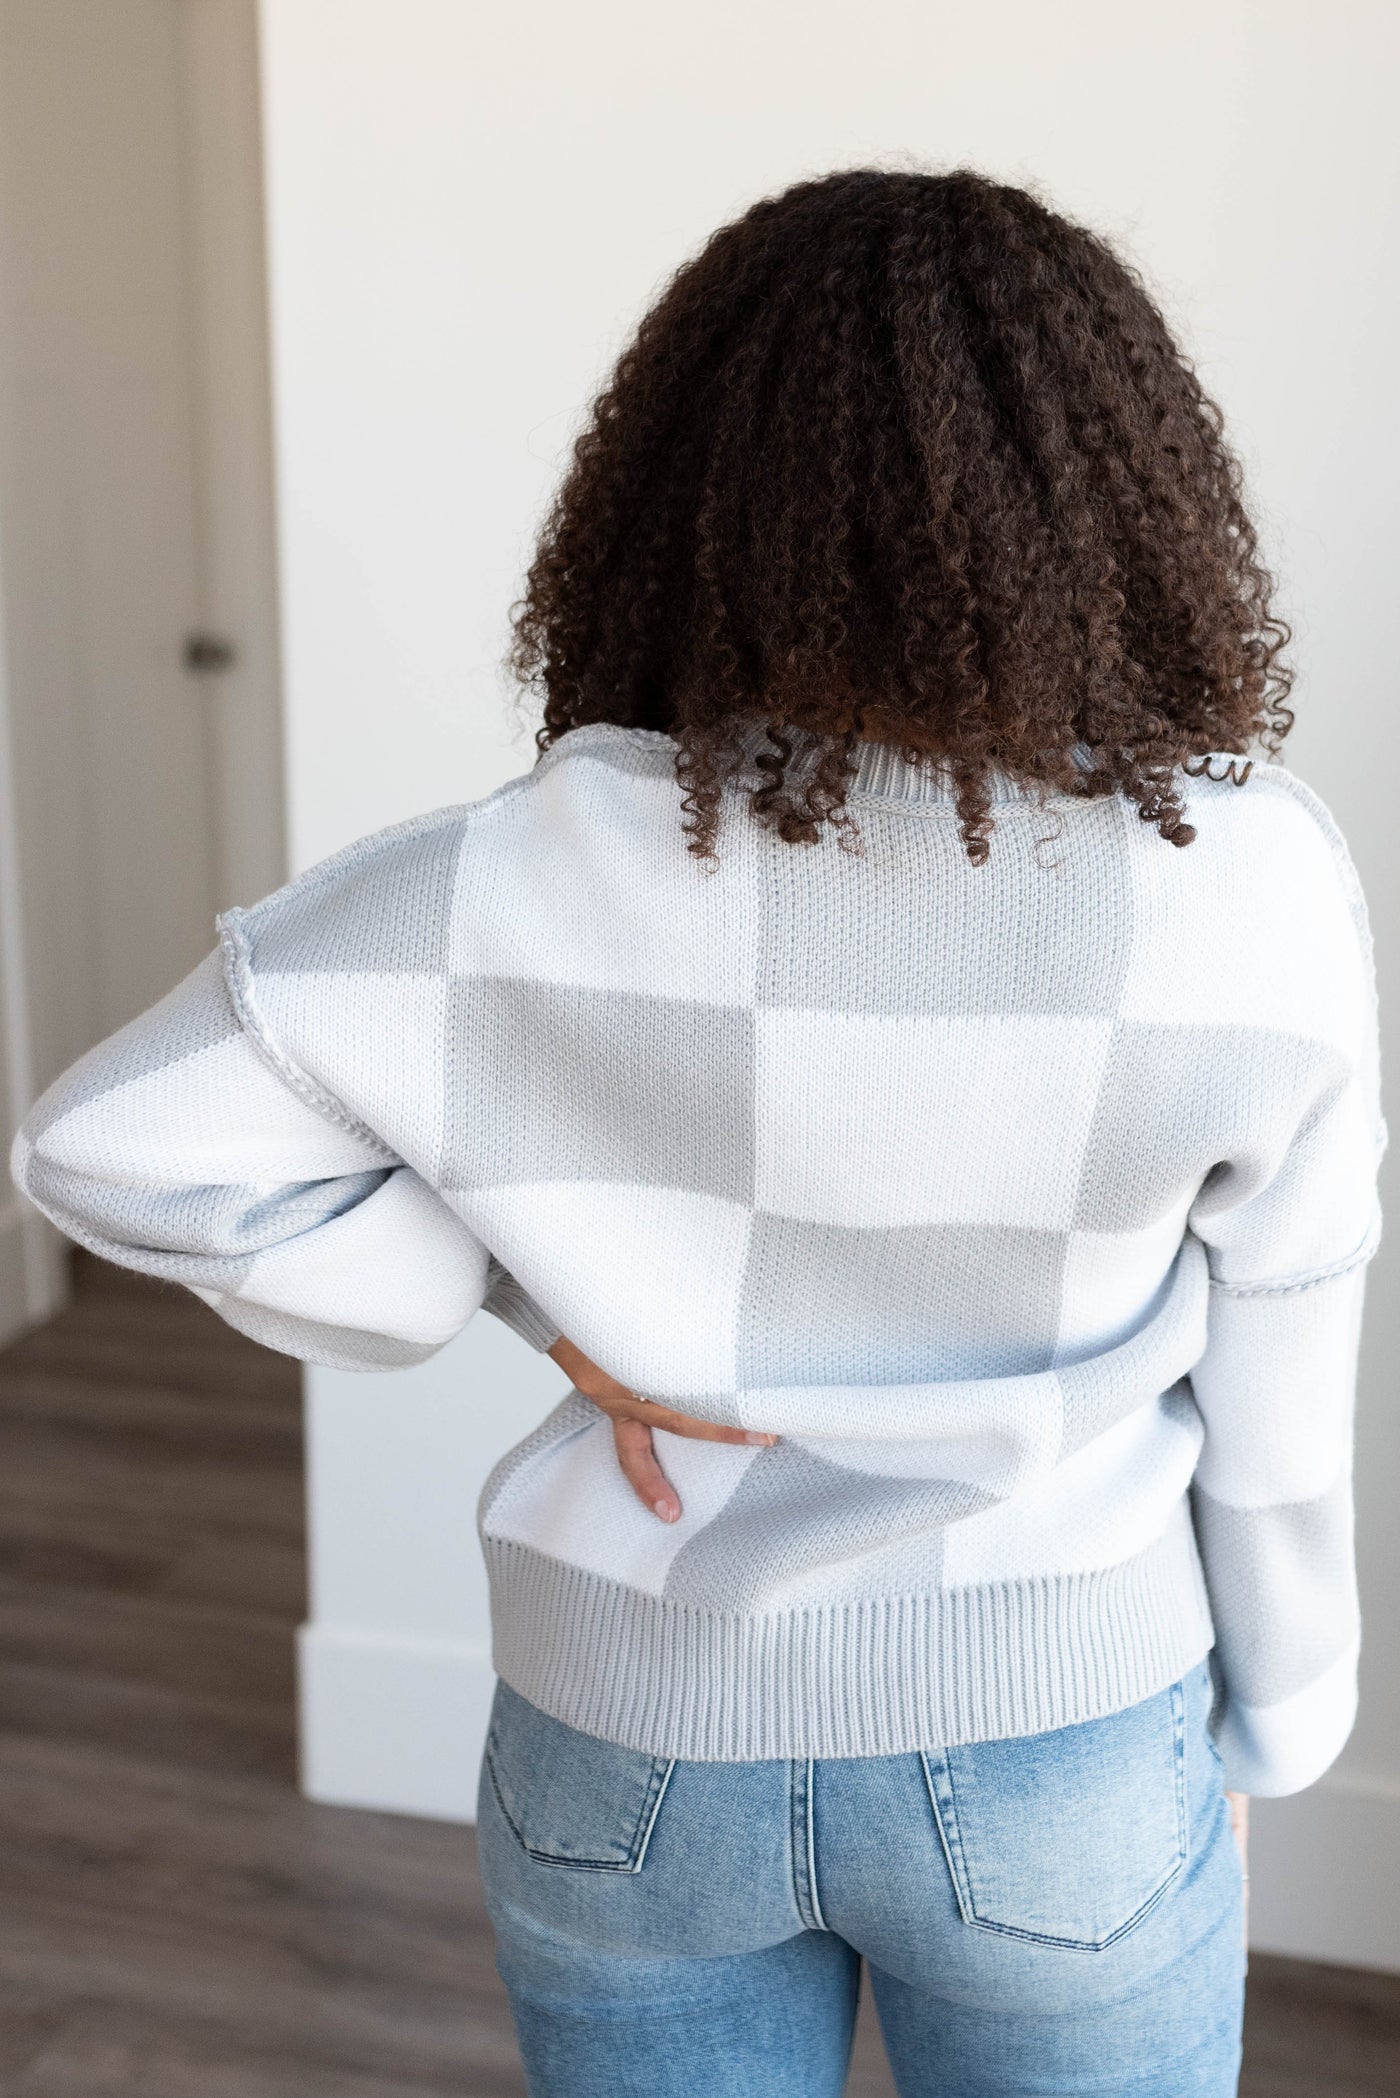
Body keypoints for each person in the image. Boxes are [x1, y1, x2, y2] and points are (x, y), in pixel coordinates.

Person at [10, 169, 1383, 2098]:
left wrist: (515, 1283)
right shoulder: (1249, 881)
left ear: (671, 507)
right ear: (1126, 504)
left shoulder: (523, 871)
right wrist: (1281, 1731)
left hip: (629, 1744)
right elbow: (1282, 1395)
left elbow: (107, 1141)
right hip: (1065, 1730)